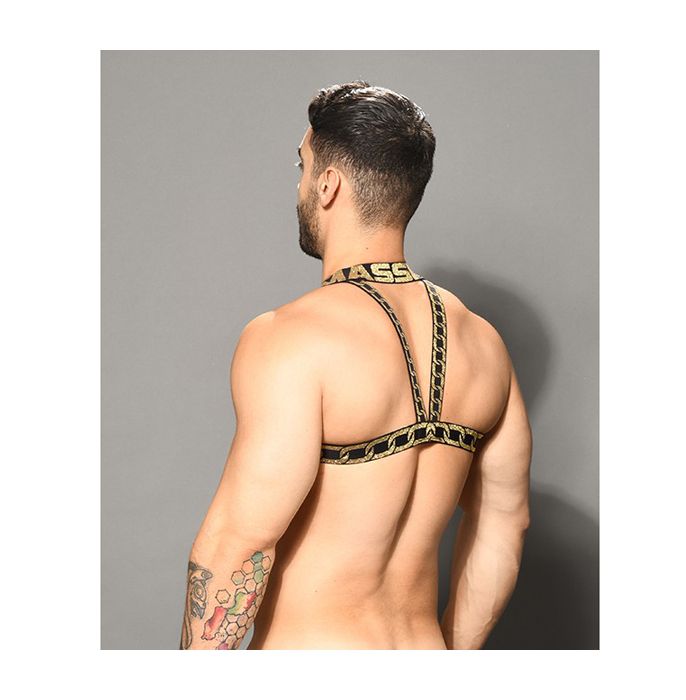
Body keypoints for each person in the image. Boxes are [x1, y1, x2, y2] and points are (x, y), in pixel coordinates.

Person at [179, 80, 532, 650]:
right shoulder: (485, 344)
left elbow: (238, 544)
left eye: (302, 167)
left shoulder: (291, 336)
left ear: (328, 184)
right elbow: (504, 524)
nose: (300, 185)